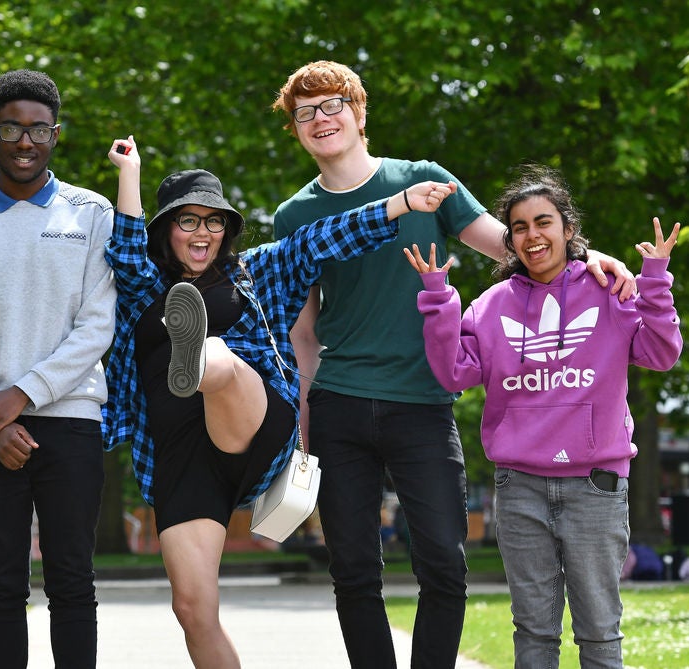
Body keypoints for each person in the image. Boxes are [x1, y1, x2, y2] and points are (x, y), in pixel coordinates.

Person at [270, 60, 637, 668]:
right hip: (339, 404)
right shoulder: (294, 216)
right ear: (296, 130)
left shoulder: (424, 181)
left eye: (333, 105)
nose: (320, 119)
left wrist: (596, 258)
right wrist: (305, 428)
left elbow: (514, 245)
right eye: (304, 113)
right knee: (354, 570)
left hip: (422, 404)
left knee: (444, 561)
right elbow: (303, 332)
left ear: (360, 115)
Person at [102, 134, 458, 667]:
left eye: (214, 221)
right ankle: (194, 354)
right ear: (167, 230)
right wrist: (127, 173)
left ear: (227, 229)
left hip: (253, 423)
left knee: (218, 358)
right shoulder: (143, 287)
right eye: (188, 221)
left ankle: (196, 355)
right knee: (193, 610)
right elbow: (126, 249)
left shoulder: (258, 271)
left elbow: (323, 237)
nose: (203, 232)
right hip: (182, 461)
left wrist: (401, 203)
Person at [406, 165, 682, 668]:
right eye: (519, 227)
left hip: (595, 486)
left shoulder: (608, 289)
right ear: (509, 240)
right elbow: (453, 374)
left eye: (544, 222)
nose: (533, 236)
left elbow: (660, 354)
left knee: (599, 631)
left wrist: (655, 282)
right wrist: (439, 298)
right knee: (533, 631)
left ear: (567, 228)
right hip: (520, 487)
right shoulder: (489, 307)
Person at [0, 69, 114, 668]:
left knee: (71, 581)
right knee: (0, 584)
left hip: (72, 420)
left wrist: (24, 395)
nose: (25, 141)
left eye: (38, 129)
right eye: (12, 128)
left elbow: (97, 325)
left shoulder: (92, 213)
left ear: (56, 134)